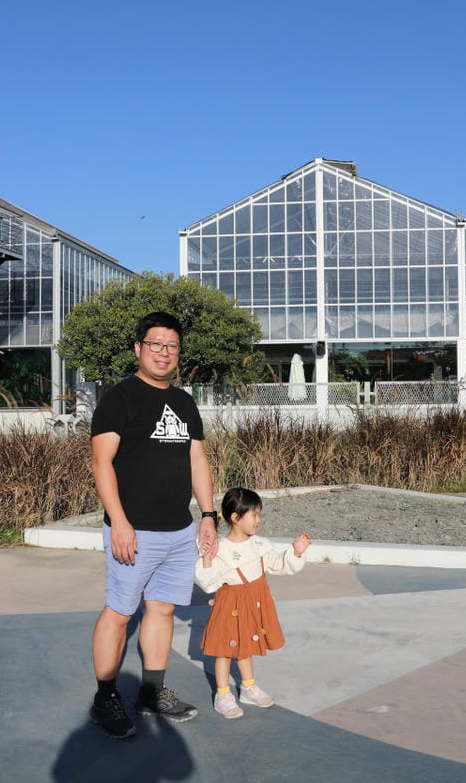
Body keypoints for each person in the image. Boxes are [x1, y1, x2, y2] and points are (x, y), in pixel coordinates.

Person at [88, 311, 220, 739]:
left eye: (172, 346)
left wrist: (207, 516)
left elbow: (197, 459)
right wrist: (120, 522)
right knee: (120, 612)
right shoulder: (119, 398)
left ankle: (151, 691)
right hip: (134, 530)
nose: (164, 353)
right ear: (138, 348)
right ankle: (105, 696)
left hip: (179, 531)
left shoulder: (184, 402)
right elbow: (101, 462)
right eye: (156, 344)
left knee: (162, 610)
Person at [195, 487, 311, 719]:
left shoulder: (260, 545)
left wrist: (296, 553)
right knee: (225, 651)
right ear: (235, 518)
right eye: (254, 515)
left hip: (254, 602)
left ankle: (248, 687)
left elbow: (279, 565)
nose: (258, 520)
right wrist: (207, 558)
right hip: (229, 606)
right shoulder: (220, 549)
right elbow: (208, 584)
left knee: (245, 645)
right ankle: (223, 694)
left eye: (259, 514)